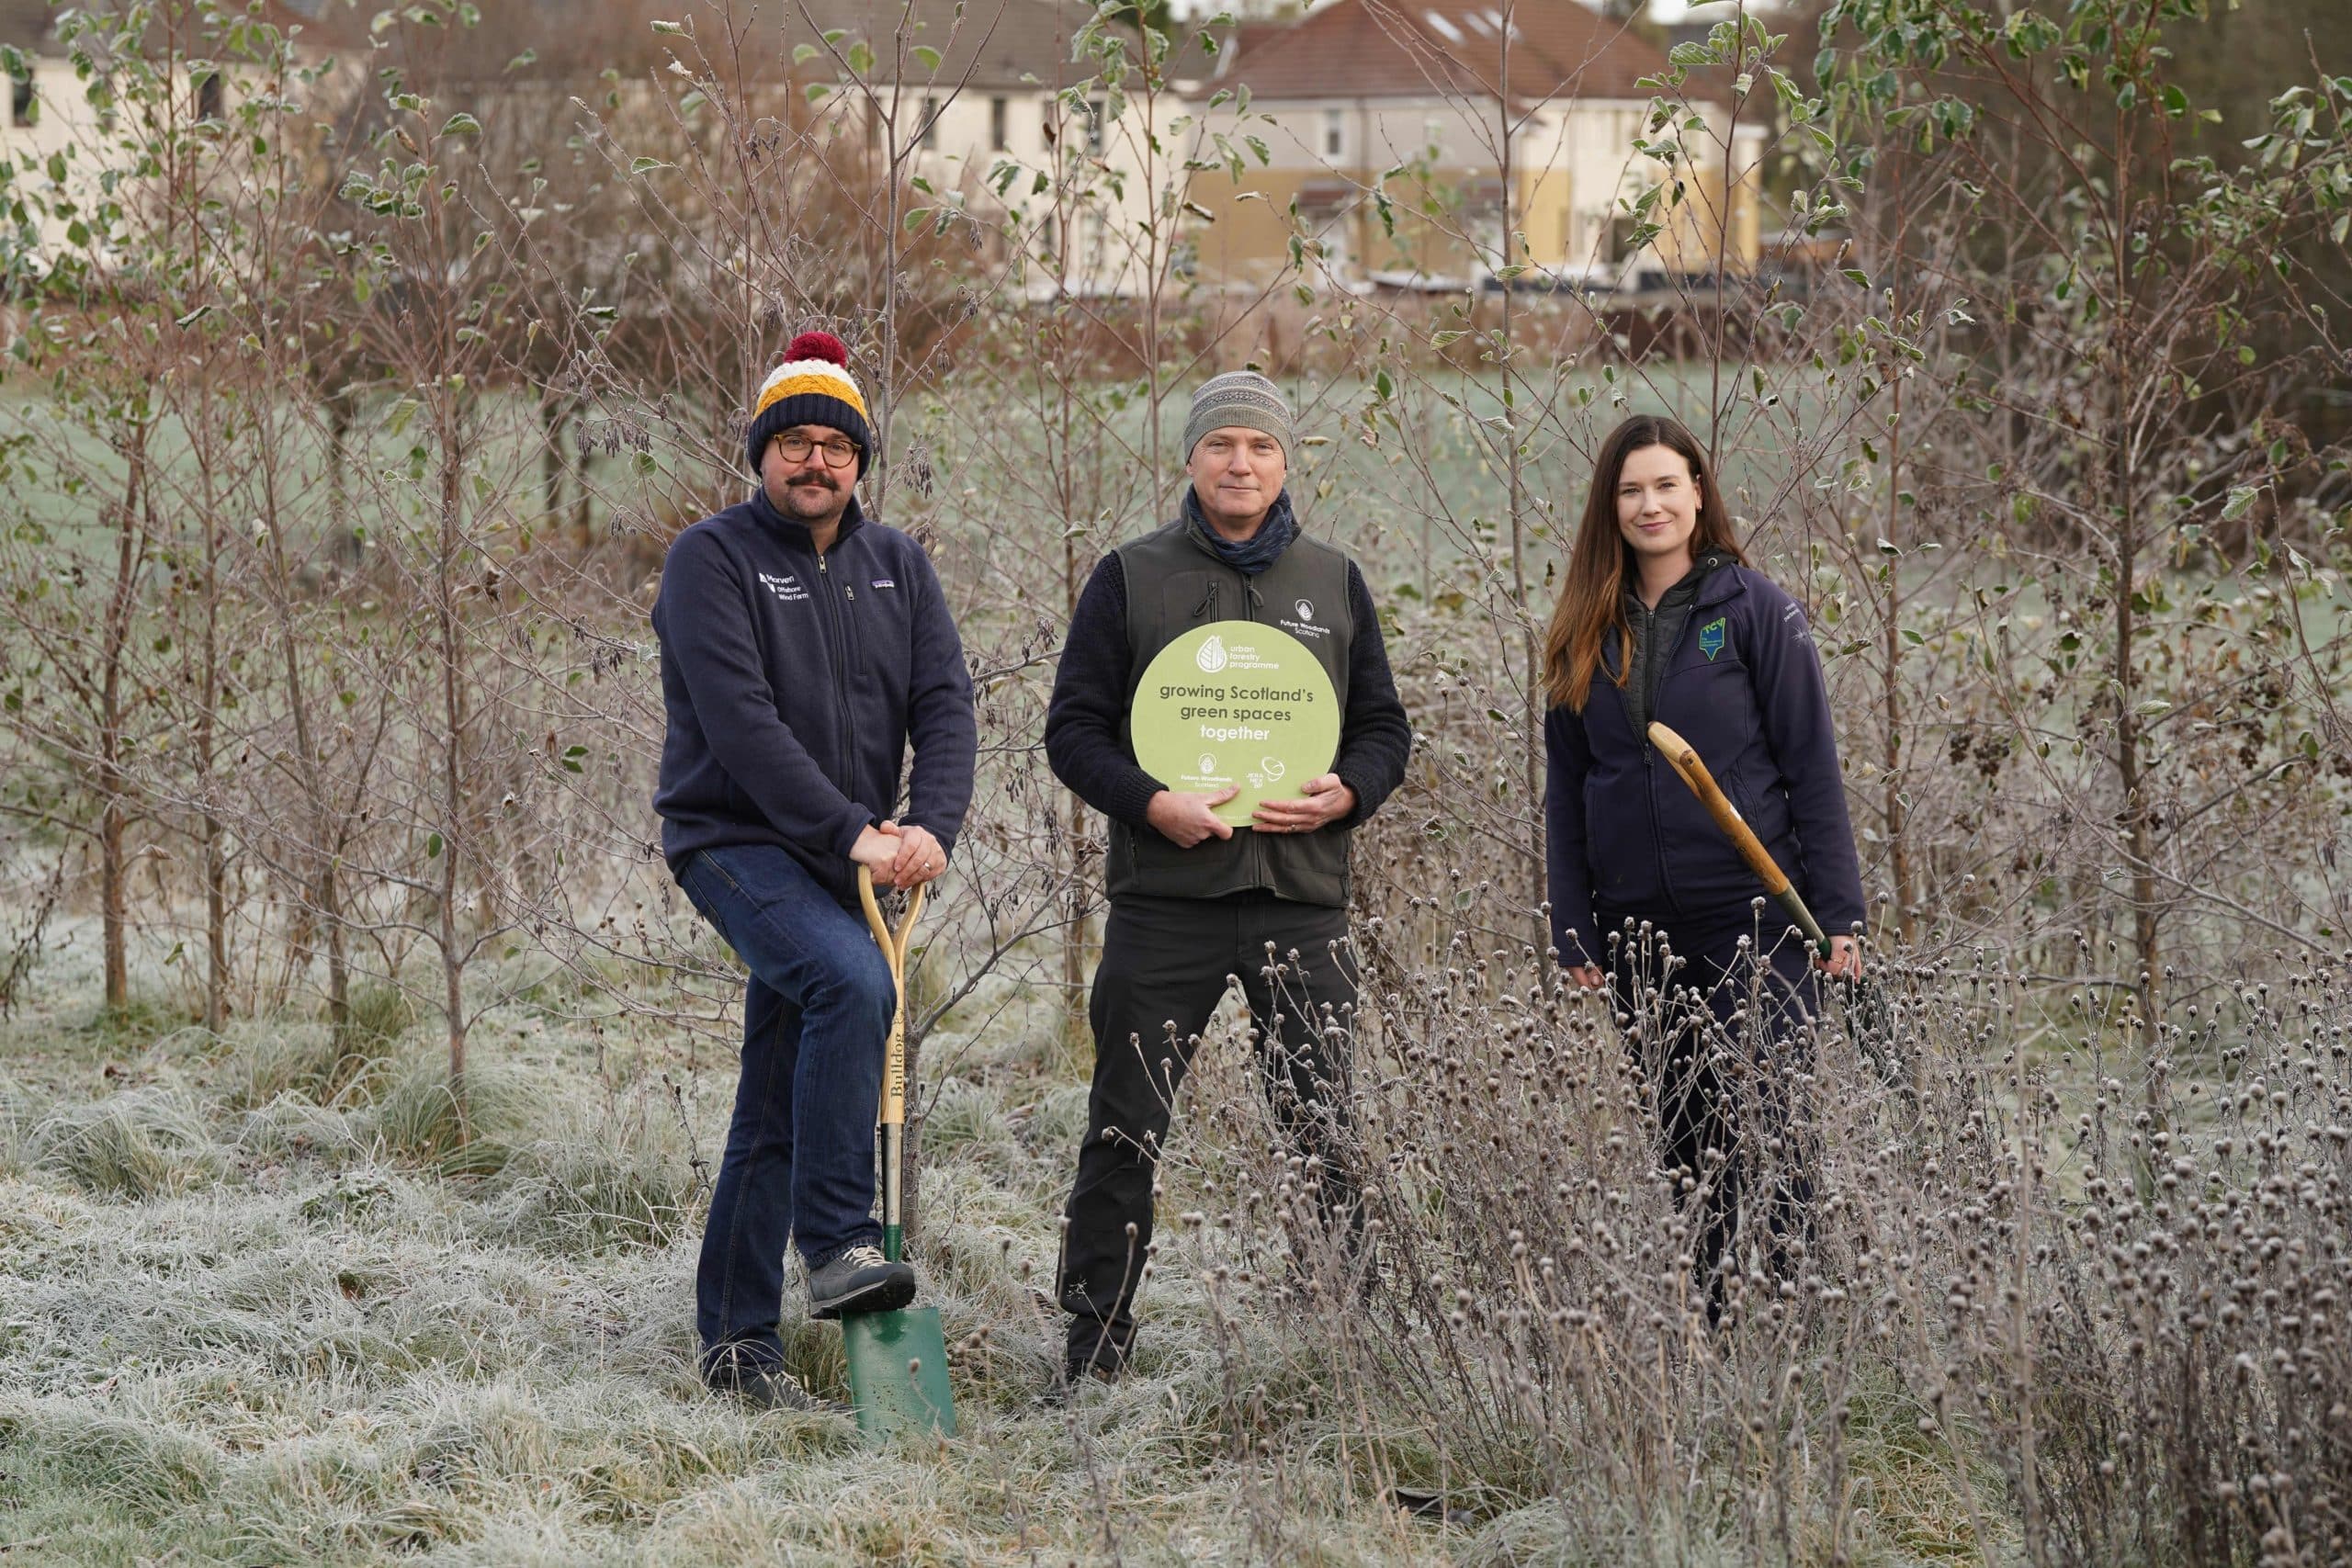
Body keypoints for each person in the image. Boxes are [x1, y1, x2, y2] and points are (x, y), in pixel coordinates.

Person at [1044, 370, 1413, 1392]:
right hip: (1167, 903)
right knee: (1125, 1126)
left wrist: (1348, 796)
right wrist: (1151, 801)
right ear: (1191, 461)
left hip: (1301, 899)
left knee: (1323, 1124)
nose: (1238, 463)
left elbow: (1383, 728)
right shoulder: (1131, 576)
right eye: (1220, 446)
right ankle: (1094, 1353)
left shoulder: (1331, 582)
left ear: (1285, 462)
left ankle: (1351, 1346)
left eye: (1258, 446)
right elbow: (1072, 731)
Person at [651, 330, 977, 1409]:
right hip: (735, 844)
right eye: (790, 442)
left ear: (858, 461)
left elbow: (944, 703)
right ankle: (836, 1240)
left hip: (847, 860)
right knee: (851, 982)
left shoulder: (899, 567)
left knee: (774, 1102)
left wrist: (928, 823)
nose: (813, 463)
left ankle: (738, 1350)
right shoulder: (712, 560)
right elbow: (740, 728)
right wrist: (855, 833)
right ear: (760, 455)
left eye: (833, 445)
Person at [1541, 412, 1864, 1314]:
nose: (1650, 505)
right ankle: (1723, 1325)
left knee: (1767, 1121)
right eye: (1631, 490)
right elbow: (1566, 796)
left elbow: (1812, 771)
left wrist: (1839, 916)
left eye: (1665, 485)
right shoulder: (1581, 633)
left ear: (1697, 493)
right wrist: (1574, 926)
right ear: (1610, 508)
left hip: (1758, 921)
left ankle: (1795, 1323)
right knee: (1685, 1134)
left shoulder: (1759, 611)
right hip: (1639, 932)